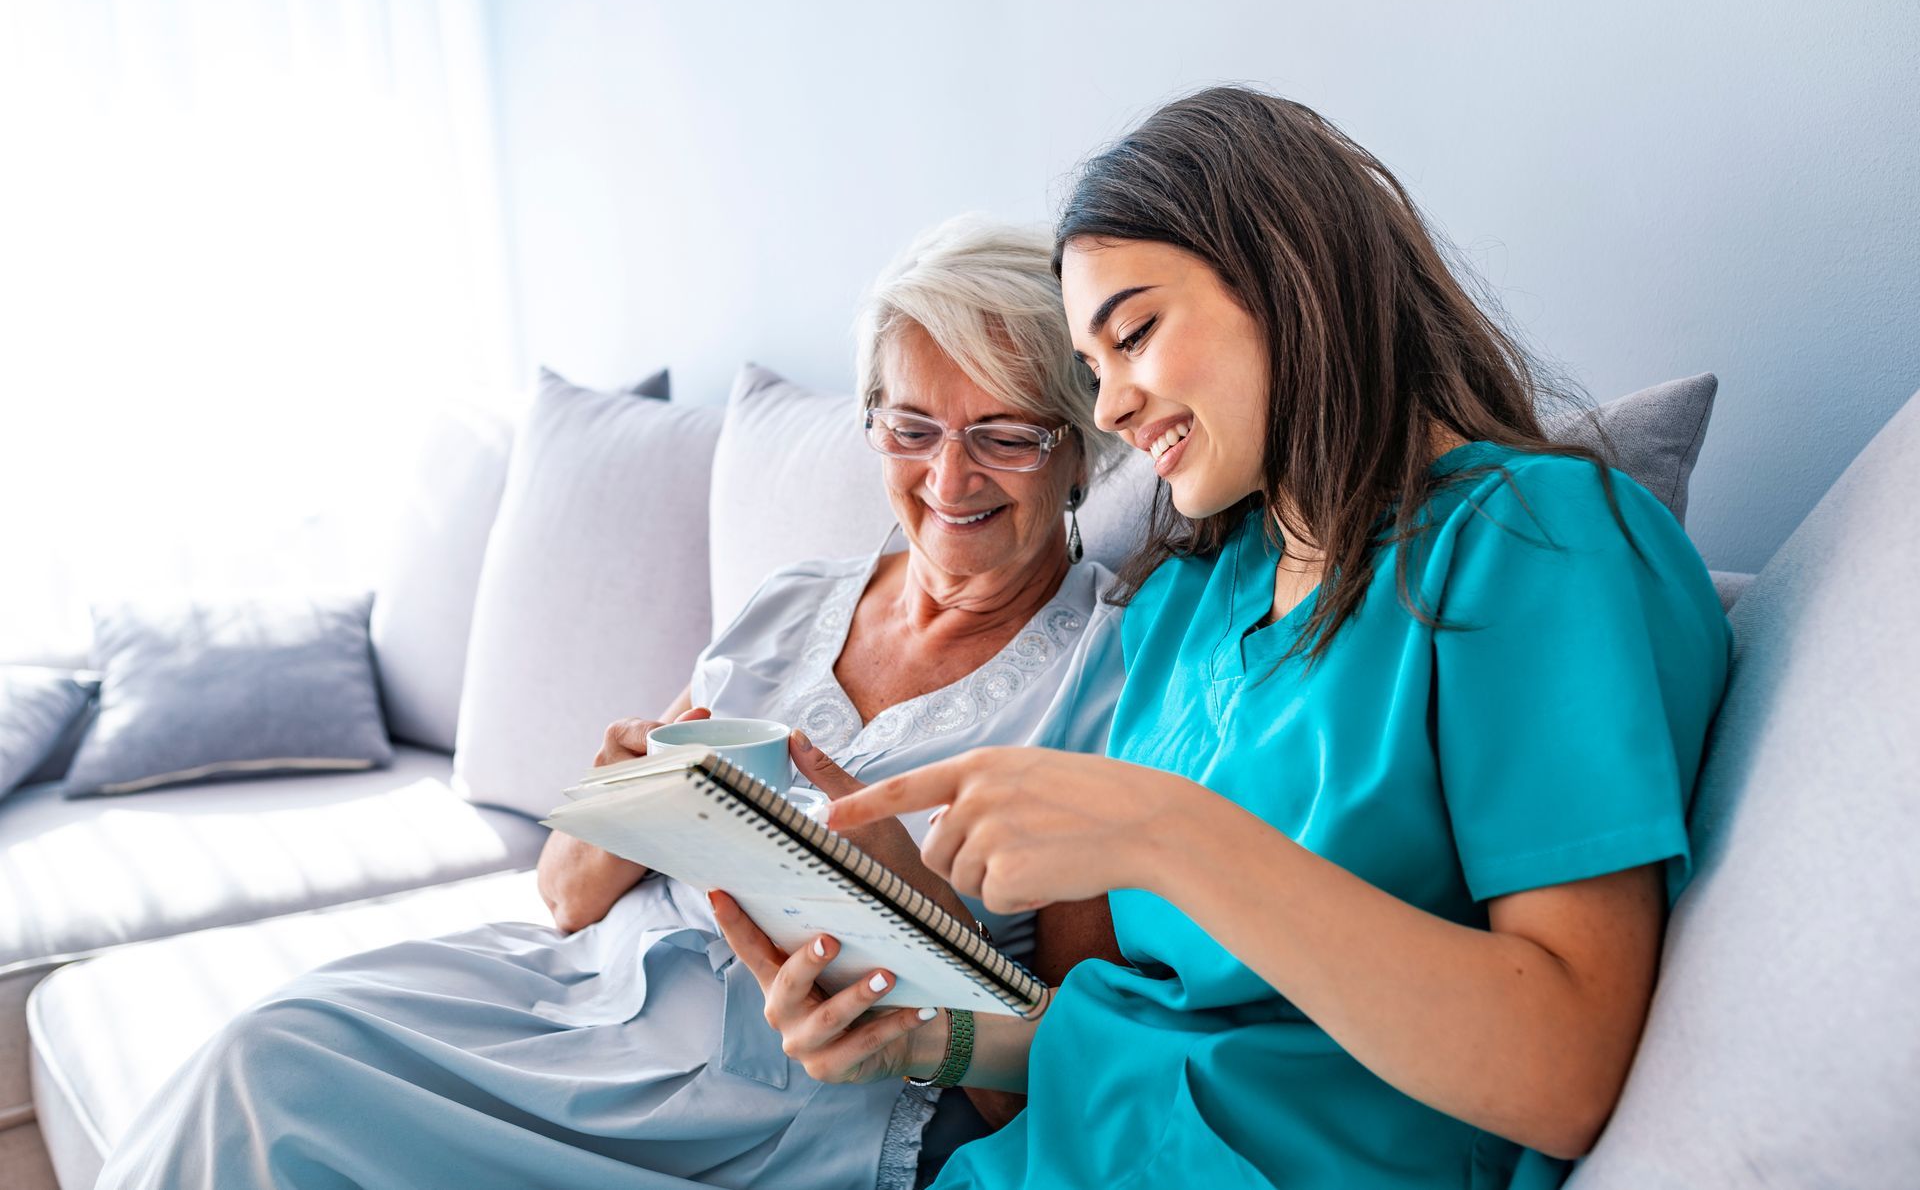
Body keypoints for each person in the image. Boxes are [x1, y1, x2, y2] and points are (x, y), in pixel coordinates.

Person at [716, 87, 1733, 1190]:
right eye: (1092, 368)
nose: (1106, 408)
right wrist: (921, 1032)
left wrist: (1165, 833)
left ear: (1289, 275)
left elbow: (1565, 1072)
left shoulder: (1529, 541)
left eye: (1135, 332)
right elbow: (1130, 1024)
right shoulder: (1182, 607)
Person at [97, 216, 1129, 1190]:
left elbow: (1086, 1074)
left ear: (1079, 448)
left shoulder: (1105, 674)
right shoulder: (795, 603)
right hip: (587, 998)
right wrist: (632, 798)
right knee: (265, 1050)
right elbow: (564, 894)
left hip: (784, 1100)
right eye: (911, 427)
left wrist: (925, 920)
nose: (948, 476)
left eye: (1004, 435)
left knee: (274, 1096)